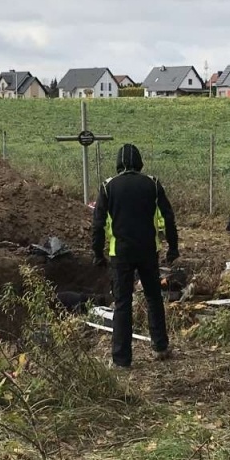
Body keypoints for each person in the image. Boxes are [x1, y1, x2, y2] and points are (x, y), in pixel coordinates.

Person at [91, 143, 179, 367]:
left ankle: (122, 359)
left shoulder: (108, 186)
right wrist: (173, 247)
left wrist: (97, 252)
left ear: (119, 163)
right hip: (148, 250)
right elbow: (168, 217)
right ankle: (160, 347)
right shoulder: (153, 183)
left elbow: (98, 223)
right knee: (153, 297)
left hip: (120, 253)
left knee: (122, 303)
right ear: (139, 162)